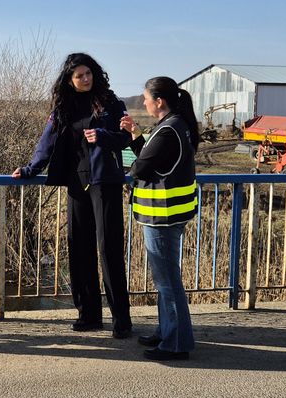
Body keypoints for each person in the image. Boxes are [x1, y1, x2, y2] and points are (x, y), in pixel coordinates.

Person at [12, 52, 133, 338]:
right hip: (77, 184)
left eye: (88, 73)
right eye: (79, 75)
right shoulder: (63, 107)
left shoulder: (111, 102)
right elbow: (47, 142)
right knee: (79, 249)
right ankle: (89, 314)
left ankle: (121, 319)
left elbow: (126, 137)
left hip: (105, 182)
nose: (85, 79)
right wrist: (30, 169)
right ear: (69, 79)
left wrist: (104, 136)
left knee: (109, 250)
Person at [120, 77, 199, 361]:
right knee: (165, 279)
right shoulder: (177, 126)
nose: (143, 103)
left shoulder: (169, 130)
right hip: (171, 214)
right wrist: (137, 136)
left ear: (159, 101)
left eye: (146, 99)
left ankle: (176, 343)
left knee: (168, 282)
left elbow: (140, 167)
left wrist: (130, 159)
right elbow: (152, 160)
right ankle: (166, 331)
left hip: (162, 216)